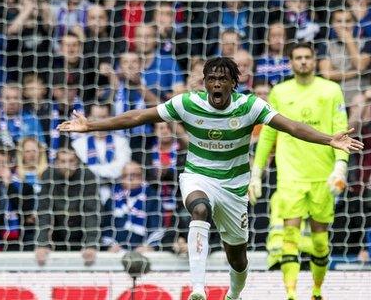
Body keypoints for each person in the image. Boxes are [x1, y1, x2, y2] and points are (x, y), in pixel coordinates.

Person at [58, 57, 363, 300]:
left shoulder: (249, 106)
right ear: (205, 83)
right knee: (199, 210)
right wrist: (91, 126)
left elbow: (292, 126)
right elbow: (138, 116)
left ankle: (234, 293)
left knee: (238, 258)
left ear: (233, 83)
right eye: (211, 79)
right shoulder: (188, 103)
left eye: (222, 79)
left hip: (234, 187)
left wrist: (329, 140)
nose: (216, 84)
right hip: (198, 176)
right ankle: (198, 288)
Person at [250, 42, 349, 300]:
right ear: (291, 62)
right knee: (290, 235)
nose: (303, 61)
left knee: (319, 240)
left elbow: (341, 129)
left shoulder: (331, 90)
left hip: (322, 175)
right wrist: (256, 172)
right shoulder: (280, 92)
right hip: (290, 176)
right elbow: (268, 134)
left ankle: (316, 291)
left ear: (314, 60)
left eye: (307, 57)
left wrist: (341, 165)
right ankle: (291, 294)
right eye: (298, 58)